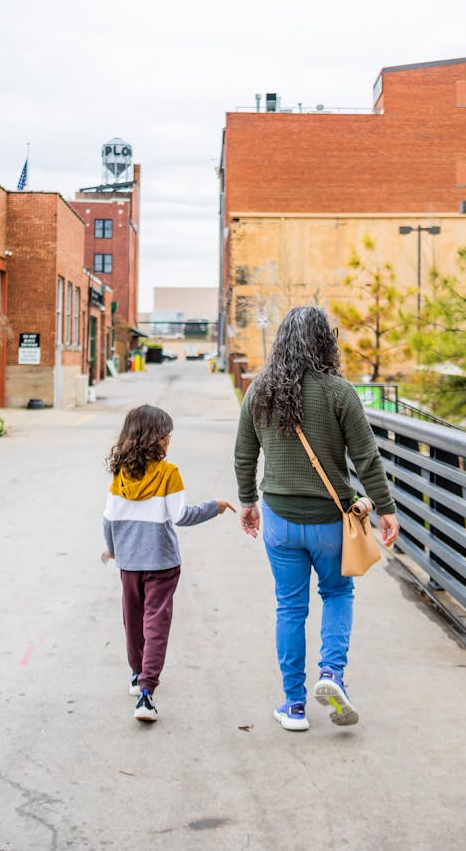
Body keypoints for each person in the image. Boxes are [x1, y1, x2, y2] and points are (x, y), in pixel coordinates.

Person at [235, 305, 399, 732]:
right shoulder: (339, 392)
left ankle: (293, 706)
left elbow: (244, 454)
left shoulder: (259, 391)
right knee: (338, 594)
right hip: (330, 521)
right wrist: (386, 508)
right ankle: (331, 675)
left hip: (279, 519)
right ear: (325, 341)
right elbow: (366, 457)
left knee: (290, 608)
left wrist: (248, 501)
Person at [102, 404, 234, 723]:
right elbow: (181, 516)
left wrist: (113, 550)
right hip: (162, 564)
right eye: (167, 435)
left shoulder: (120, 475)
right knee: (156, 623)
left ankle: (137, 676)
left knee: (132, 620)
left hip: (130, 564)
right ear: (156, 439)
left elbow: (108, 520)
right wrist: (213, 506)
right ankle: (147, 691)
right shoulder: (168, 473)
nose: (169, 441)